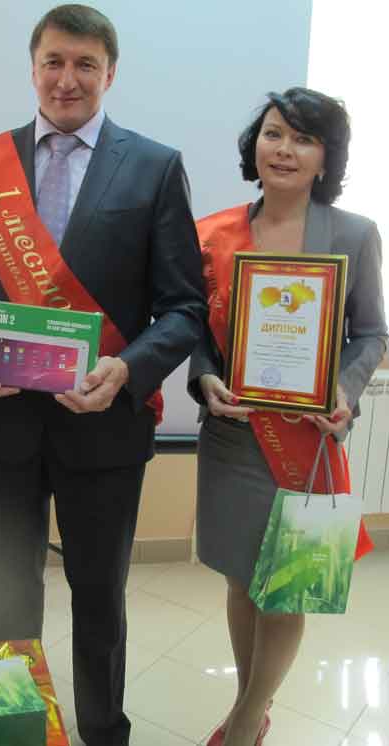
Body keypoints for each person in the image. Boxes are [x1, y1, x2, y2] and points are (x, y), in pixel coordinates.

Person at [0, 5, 207, 745]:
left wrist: (128, 367)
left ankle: (103, 731)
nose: (67, 78)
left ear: (110, 73)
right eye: (54, 61)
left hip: (104, 423)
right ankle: (8, 728)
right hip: (2, 420)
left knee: (99, 596)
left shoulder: (154, 166)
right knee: (7, 592)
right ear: (33, 68)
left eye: (85, 64)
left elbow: (184, 307)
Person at [188, 87, 387, 746]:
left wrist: (346, 390)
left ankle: (247, 718)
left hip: (310, 442)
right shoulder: (212, 234)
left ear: (326, 157)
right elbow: (195, 330)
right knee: (243, 580)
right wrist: (206, 377)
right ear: (256, 145)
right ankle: (253, 702)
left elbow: (371, 333)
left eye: (304, 138)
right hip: (234, 436)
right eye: (274, 133)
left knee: (290, 588)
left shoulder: (354, 234)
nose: (284, 149)